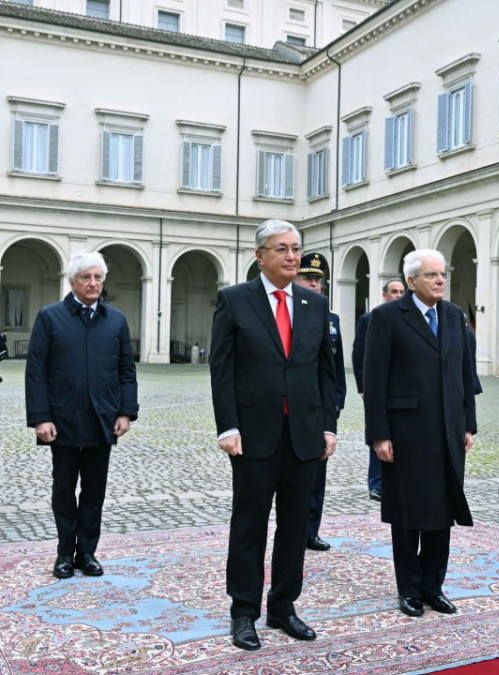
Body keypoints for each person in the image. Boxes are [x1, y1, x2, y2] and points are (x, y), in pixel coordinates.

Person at [210, 219, 338, 651]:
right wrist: (227, 426)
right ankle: (243, 611)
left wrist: (327, 425)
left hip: (302, 434)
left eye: (295, 248)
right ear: (259, 255)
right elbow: (222, 368)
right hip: (253, 434)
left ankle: (284, 607)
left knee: (294, 525)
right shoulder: (234, 300)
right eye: (281, 248)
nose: (291, 256)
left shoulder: (313, 304)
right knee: (249, 524)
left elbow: (325, 370)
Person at [363, 249, 476, 618]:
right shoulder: (387, 318)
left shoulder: (455, 316)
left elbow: (465, 375)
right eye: (431, 275)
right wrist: (379, 434)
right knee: (408, 514)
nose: (440, 280)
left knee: (442, 511)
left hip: (448, 430)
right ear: (412, 281)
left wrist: (468, 424)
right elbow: (374, 380)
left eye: (443, 274)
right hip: (406, 431)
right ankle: (408, 589)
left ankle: (433, 587)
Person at [26, 250, 139, 580]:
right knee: (63, 491)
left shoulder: (116, 320)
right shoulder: (50, 317)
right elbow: (36, 371)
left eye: (98, 277)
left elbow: (125, 371)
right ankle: (64, 553)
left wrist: (126, 412)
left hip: (102, 420)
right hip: (60, 421)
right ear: (72, 282)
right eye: (86, 277)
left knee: (94, 492)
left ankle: (87, 551)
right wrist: (40, 418)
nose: (93, 283)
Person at [292, 251, 347, 552]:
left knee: (318, 473)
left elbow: (335, 367)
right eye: (307, 277)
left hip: (321, 408)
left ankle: (310, 530)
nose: (313, 284)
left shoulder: (331, 318)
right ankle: (291, 527)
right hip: (291, 405)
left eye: (317, 279)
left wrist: (337, 401)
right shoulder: (285, 313)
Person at [352, 278, 405, 502]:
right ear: (384, 295)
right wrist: (364, 387)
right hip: (377, 389)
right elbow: (359, 355)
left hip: (401, 391)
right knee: (377, 433)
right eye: (394, 291)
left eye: (402, 291)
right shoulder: (369, 318)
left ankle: (398, 480)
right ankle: (376, 483)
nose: (398, 295)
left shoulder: (410, 319)